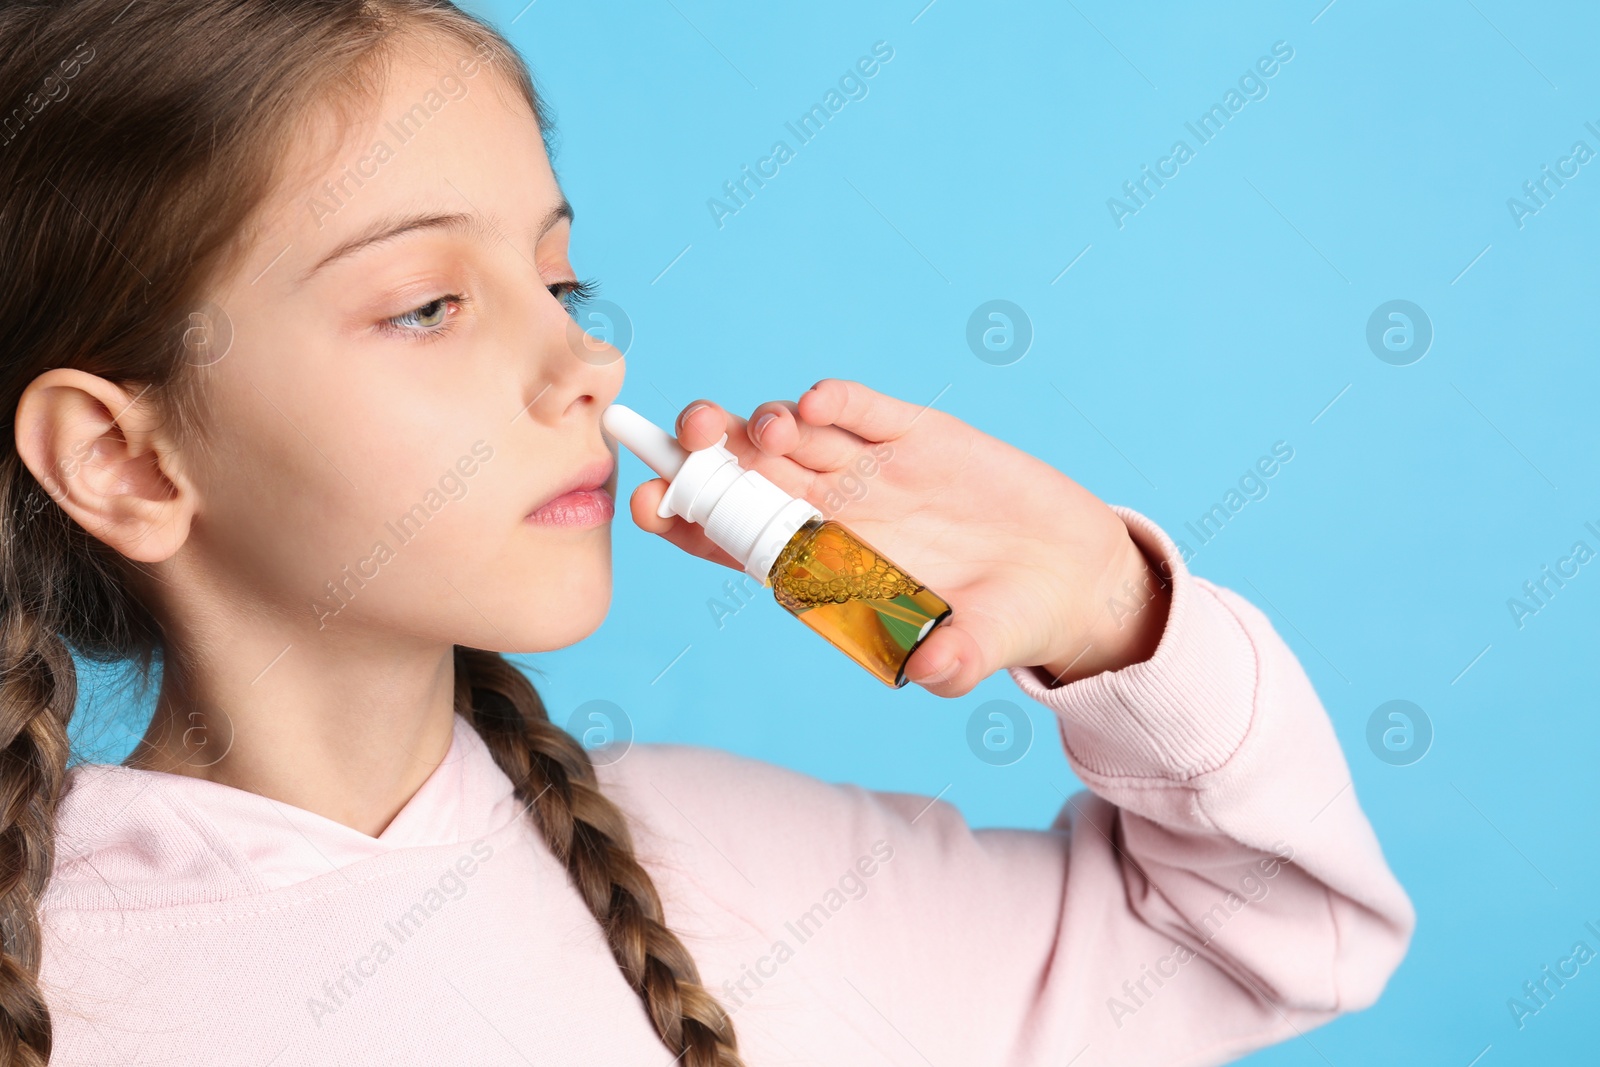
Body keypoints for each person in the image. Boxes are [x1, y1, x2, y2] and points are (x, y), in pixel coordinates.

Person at [0, 2, 1413, 1064]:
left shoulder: (762, 876)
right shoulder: (58, 978)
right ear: (123, 460)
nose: (588, 365)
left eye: (562, 279)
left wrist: (1116, 611)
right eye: (429, 304)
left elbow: (1276, 938)